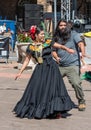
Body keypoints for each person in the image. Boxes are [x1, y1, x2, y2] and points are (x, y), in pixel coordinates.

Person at [13, 25, 75, 119]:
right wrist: (20, 72)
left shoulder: (48, 42)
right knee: (39, 89)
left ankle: (55, 110)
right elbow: (26, 60)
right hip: (40, 69)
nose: (43, 36)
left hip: (52, 69)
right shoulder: (32, 47)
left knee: (53, 89)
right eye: (41, 34)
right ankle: (41, 109)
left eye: (43, 34)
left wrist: (67, 49)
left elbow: (60, 46)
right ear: (36, 35)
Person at [51, 19, 86, 111]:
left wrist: (83, 53)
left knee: (76, 83)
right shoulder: (56, 37)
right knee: (51, 81)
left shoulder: (73, 34)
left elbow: (81, 44)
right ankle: (51, 100)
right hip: (61, 65)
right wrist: (56, 57)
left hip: (72, 65)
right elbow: (53, 51)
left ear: (67, 26)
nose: (62, 27)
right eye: (60, 25)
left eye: (64, 25)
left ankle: (81, 101)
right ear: (58, 27)